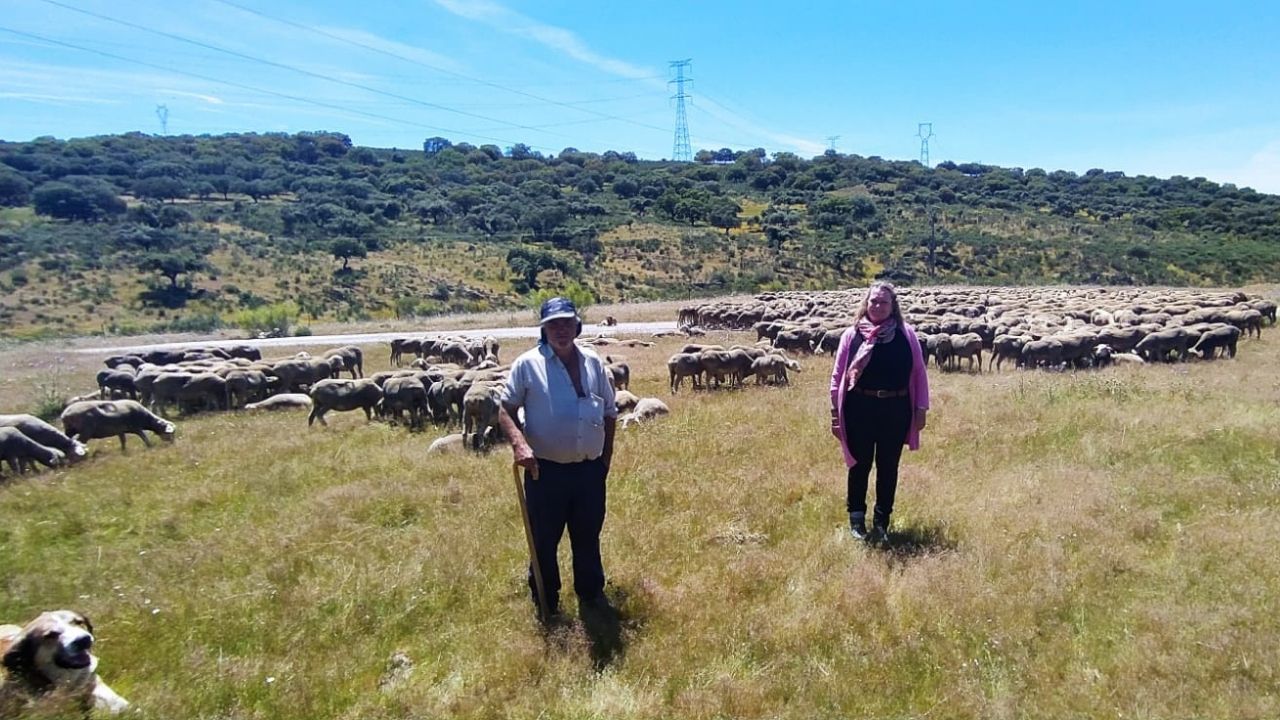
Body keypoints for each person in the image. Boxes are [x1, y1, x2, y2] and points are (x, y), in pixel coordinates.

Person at [498, 297, 618, 621]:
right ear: (544, 329)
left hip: (589, 471)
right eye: (554, 324)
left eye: (567, 323)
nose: (561, 330)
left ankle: (592, 595)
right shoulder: (528, 364)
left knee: (587, 536)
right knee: (544, 540)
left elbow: (609, 412)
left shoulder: (593, 362)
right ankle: (546, 601)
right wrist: (520, 446)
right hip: (545, 471)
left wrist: (604, 460)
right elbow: (505, 410)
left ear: (577, 326)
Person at [829, 282, 930, 545]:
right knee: (859, 464)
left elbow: (919, 373)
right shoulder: (852, 336)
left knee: (888, 466)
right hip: (859, 407)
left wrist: (921, 408)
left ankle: (882, 521)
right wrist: (834, 413)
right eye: (873, 301)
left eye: (883, 302)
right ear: (866, 303)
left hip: (895, 409)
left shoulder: (905, 335)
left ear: (892, 306)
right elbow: (838, 376)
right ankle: (856, 519)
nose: (877, 306)